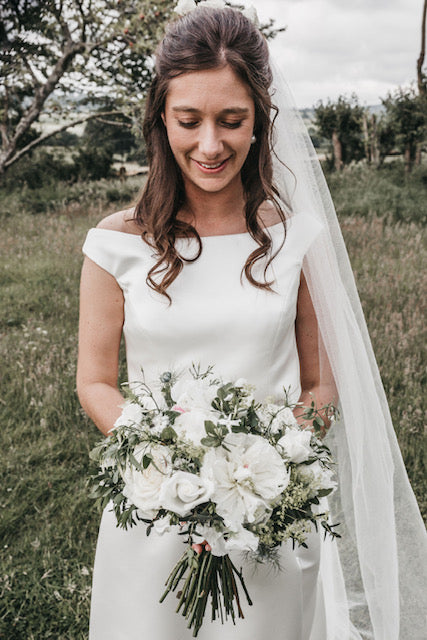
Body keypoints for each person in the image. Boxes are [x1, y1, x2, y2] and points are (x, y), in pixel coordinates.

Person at [77, 3, 427, 639]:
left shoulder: (296, 238)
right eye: (189, 121)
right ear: (161, 118)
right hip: (152, 508)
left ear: (261, 120)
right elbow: (95, 382)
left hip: (269, 516)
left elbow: (321, 385)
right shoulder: (113, 244)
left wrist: (273, 468)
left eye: (231, 121)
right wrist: (168, 465)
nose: (210, 146)